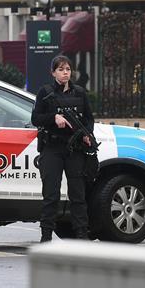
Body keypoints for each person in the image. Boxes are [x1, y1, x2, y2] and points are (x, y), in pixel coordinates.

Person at [31, 55, 95, 242]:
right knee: (51, 194)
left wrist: (86, 133)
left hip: (75, 149)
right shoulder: (45, 92)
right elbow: (36, 118)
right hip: (52, 148)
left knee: (78, 195)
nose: (65, 73)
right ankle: (46, 237)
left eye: (67, 69)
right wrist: (53, 118)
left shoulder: (80, 93)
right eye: (60, 69)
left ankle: (82, 235)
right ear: (53, 72)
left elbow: (88, 119)